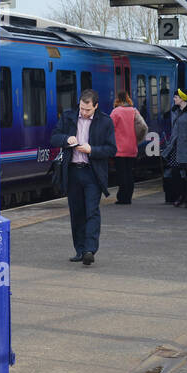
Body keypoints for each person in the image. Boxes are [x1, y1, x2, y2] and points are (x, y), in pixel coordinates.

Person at [51, 89, 117, 266]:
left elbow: (112, 149)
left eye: (87, 109)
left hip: (92, 172)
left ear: (95, 106)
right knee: (77, 213)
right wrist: (66, 139)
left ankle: (89, 250)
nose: (83, 112)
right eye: (81, 108)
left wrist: (92, 150)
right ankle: (80, 250)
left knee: (92, 211)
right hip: (72, 171)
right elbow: (54, 137)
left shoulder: (105, 122)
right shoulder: (69, 117)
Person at [161, 87, 187, 208]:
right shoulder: (175, 111)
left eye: (176, 97)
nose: (174, 99)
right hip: (176, 147)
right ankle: (181, 196)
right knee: (176, 174)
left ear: (182, 99)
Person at [109, 91, 146, 205]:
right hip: (131, 148)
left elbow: (109, 129)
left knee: (121, 174)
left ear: (117, 100)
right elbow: (143, 127)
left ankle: (122, 198)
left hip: (119, 149)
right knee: (129, 173)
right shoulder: (134, 111)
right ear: (128, 99)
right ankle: (128, 197)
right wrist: (137, 139)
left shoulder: (116, 112)